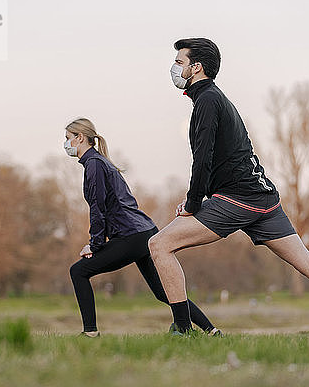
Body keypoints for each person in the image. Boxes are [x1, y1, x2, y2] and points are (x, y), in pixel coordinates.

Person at [148, 38, 309, 336]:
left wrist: (192, 204)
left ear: (196, 67)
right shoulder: (216, 99)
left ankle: (183, 328)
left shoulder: (207, 101)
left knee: (160, 244)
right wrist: (199, 199)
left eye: (179, 62)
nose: (175, 68)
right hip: (265, 200)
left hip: (238, 200)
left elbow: (202, 159)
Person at [65, 118, 220, 337]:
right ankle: (212, 331)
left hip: (132, 236)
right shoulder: (99, 162)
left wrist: (95, 245)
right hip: (144, 232)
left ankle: (90, 333)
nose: (66, 144)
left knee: (78, 271)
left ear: (80, 138)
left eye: (68, 138)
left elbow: (98, 208)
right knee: (163, 290)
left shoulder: (94, 164)